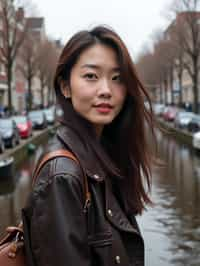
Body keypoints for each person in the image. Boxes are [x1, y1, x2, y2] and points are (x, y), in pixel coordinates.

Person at [22, 25, 155, 266]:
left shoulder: (104, 156)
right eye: (91, 76)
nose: (106, 90)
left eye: (117, 78)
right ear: (65, 86)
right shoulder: (62, 176)